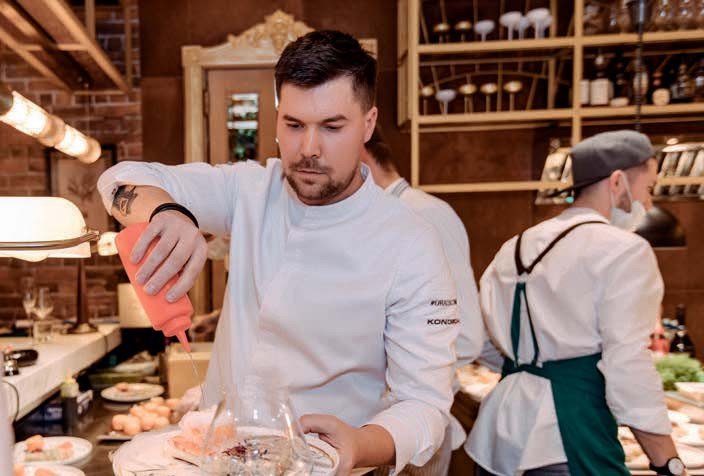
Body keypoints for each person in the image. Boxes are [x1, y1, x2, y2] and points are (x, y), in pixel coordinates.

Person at [98, 30, 460, 475]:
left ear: (368, 124)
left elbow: (425, 405)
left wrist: (361, 444)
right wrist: (167, 211)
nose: (309, 149)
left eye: (332, 127)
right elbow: (117, 180)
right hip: (218, 463)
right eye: (294, 125)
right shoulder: (249, 190)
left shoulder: (411, 242)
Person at [466, 130, 685, 476]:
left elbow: (481, 343)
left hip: (499, 436)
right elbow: (628, 366)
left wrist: (533, 367)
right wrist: (668, 462)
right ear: (617, 182)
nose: (649, 204)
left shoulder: (514, 247)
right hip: (568, 436)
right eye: (649, 188)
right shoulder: (623, 250)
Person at [361, 127, 484, 475]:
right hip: (372, 427)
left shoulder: (425, 215)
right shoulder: (376, 219)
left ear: (361, 154)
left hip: (411, 425)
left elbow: (465, 333)